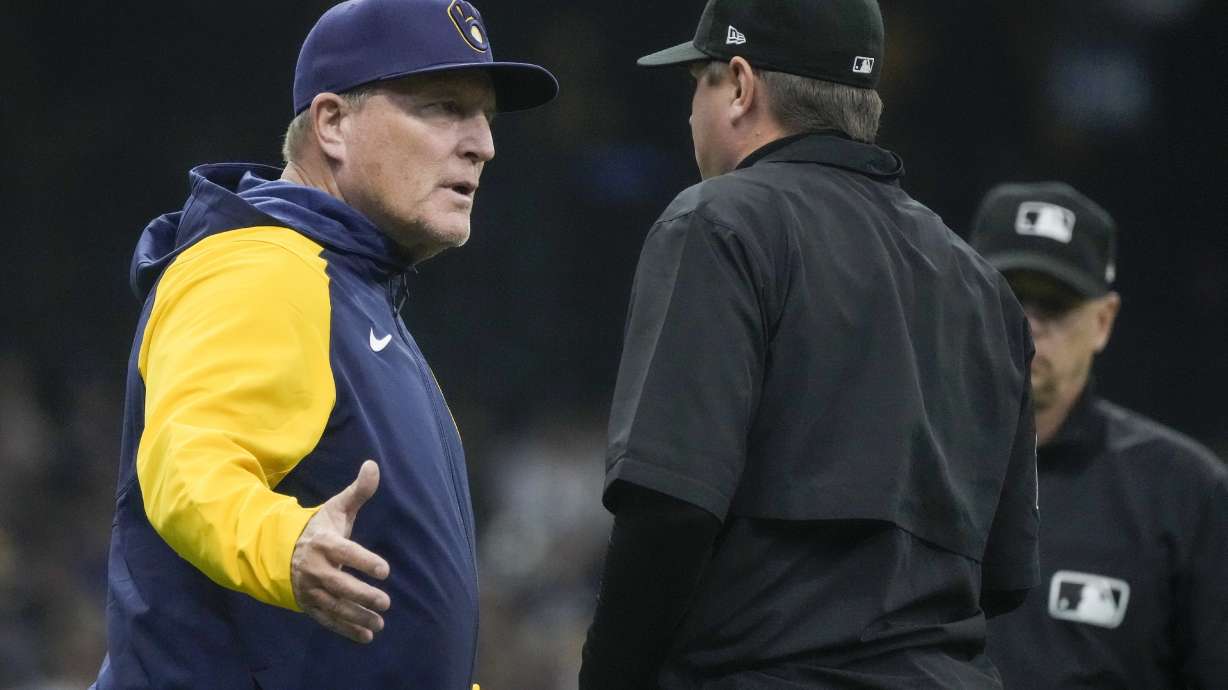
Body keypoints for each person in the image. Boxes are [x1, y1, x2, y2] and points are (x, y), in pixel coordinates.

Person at [90, 1, 556, 688]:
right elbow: (189, 462)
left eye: (484, 117)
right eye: (442, 108)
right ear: (333, 122)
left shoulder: (349, 289)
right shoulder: (263, 268)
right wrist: (286, 543)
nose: (482, 143)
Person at [579, 1, 1040, 687]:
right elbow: (1006, 576)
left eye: (698, 84)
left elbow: (669, 511)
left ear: (739, 85)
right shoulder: (981, 285)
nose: (689, 114)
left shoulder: (721, 222)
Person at [969, 182, 1228, 689]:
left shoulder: (1184, 494)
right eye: (1010, 295)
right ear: (959, 296)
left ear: (1104, 321)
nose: (1028, 324)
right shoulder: (901, 462)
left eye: (1056, 305)